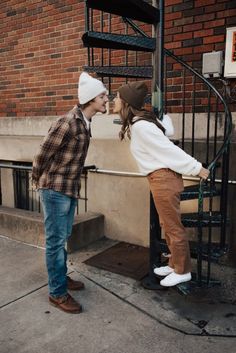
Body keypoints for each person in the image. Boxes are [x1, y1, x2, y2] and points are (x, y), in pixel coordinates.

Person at [113, 81, 209, 287]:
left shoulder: (141, 127)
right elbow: (166, 133)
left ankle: (183, 271)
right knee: (167, 225)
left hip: (163, 179)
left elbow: (168, 150)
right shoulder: (141, 123)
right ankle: (174, 264)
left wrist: (196, 168)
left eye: (117, 97)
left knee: (173, 227)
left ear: (126, 102)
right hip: (160, 179)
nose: (114, 100)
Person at [32, 72, 108, 313]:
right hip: (54, 190)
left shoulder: (85, 122)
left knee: (62, 238)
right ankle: (57, 292)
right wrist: (38, 181)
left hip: (69, 189)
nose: (107, 98)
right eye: (103, 95)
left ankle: (61, 278)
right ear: (90, 99)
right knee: (55, 242)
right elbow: (42, 155)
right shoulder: (68, 122)